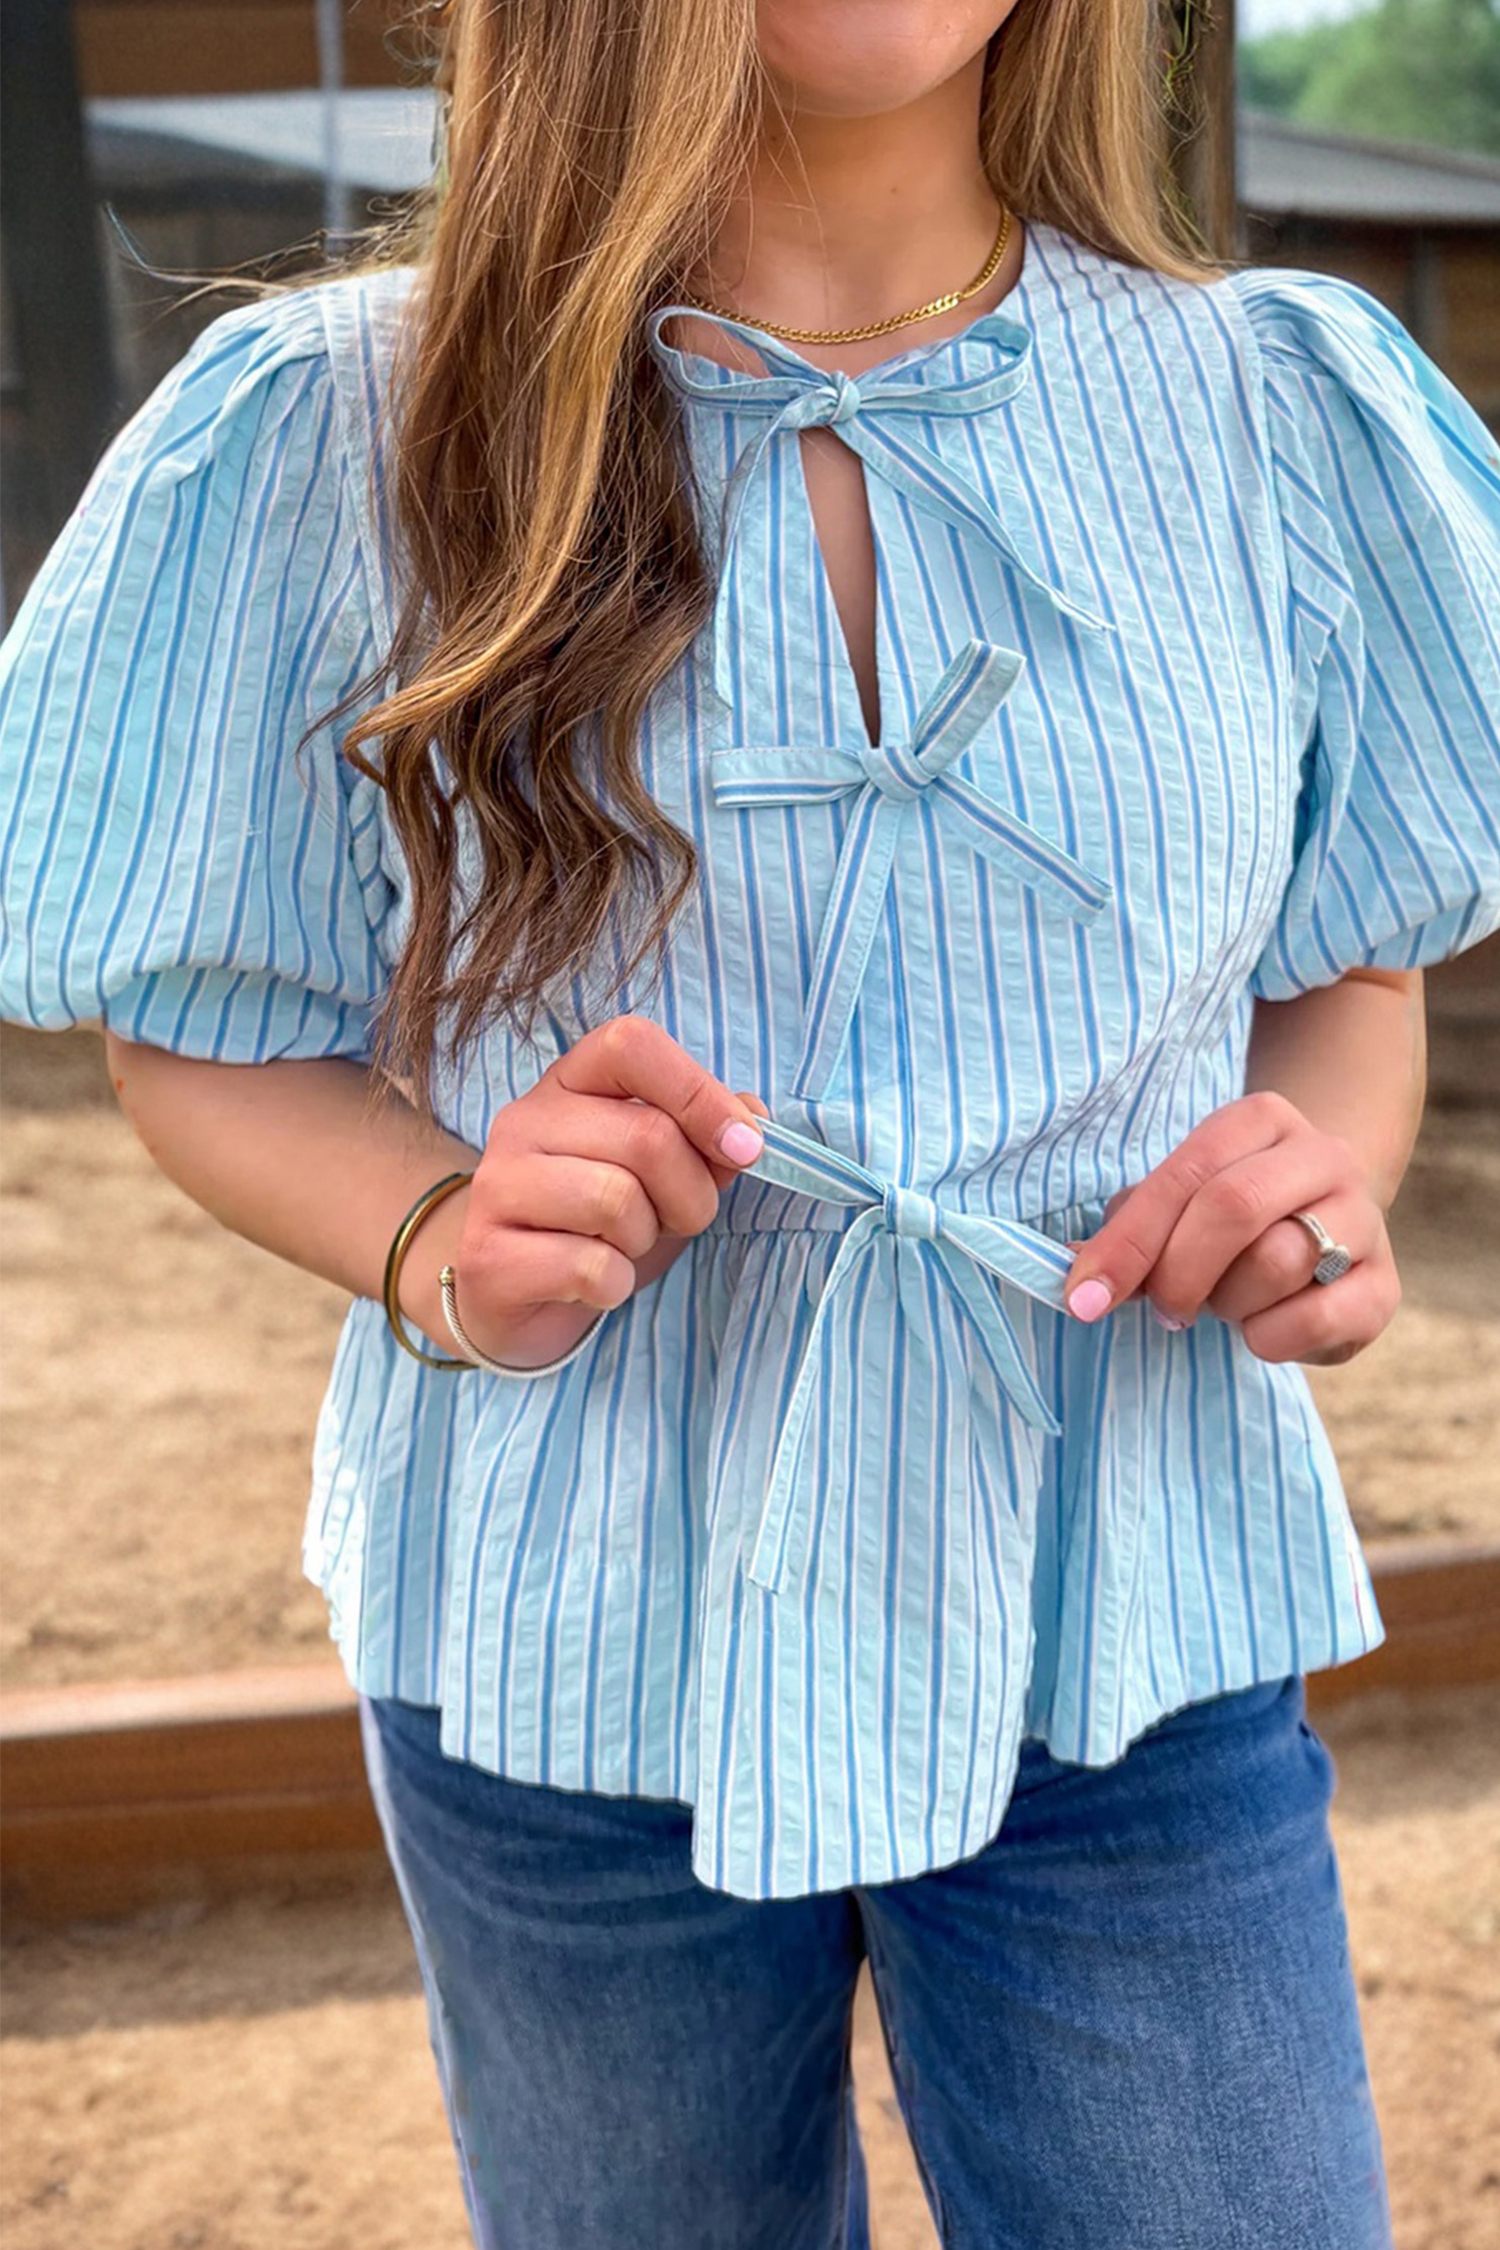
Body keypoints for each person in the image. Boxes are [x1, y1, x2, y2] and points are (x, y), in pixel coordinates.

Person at [3, 0, 1498, 2241]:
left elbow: (1343, 970)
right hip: (573, 1628)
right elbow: (199, 1023)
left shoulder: (1274, 407)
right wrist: (438, 1235)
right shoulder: (327, 426)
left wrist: (1318, 1169)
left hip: (1121, 1606)